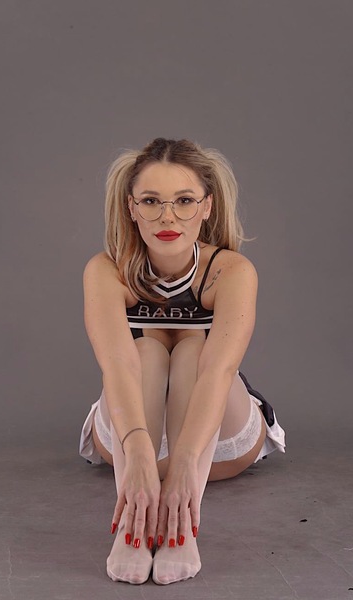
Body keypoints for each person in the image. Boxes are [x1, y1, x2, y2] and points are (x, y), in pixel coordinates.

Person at [79, 137, 285, 585]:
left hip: (211, 440)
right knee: (145, 351)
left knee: (195, 350)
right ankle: (133, 528)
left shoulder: (230, 271)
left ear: (207, 206)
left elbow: (219, 372)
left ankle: (181, 527)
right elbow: (118, 367)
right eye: (151, 201)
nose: (167, 217)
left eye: (184, 200)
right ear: (131, 207)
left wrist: (186, 464)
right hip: (132, 437)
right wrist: (137, 455)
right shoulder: (107, 270)